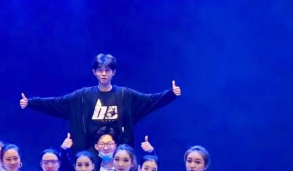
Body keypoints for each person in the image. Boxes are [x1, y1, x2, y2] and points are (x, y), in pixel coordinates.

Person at [20, 53, 182, 155]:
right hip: (89, 151)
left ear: (113, 72)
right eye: (100, 70)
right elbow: (56, 103)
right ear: (94, 72)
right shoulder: (83, 96)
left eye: (107, 70)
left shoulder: (124, 94)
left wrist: (170, 94)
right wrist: (31, 102)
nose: (103, 74)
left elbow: (149, 100)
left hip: (119, 152)